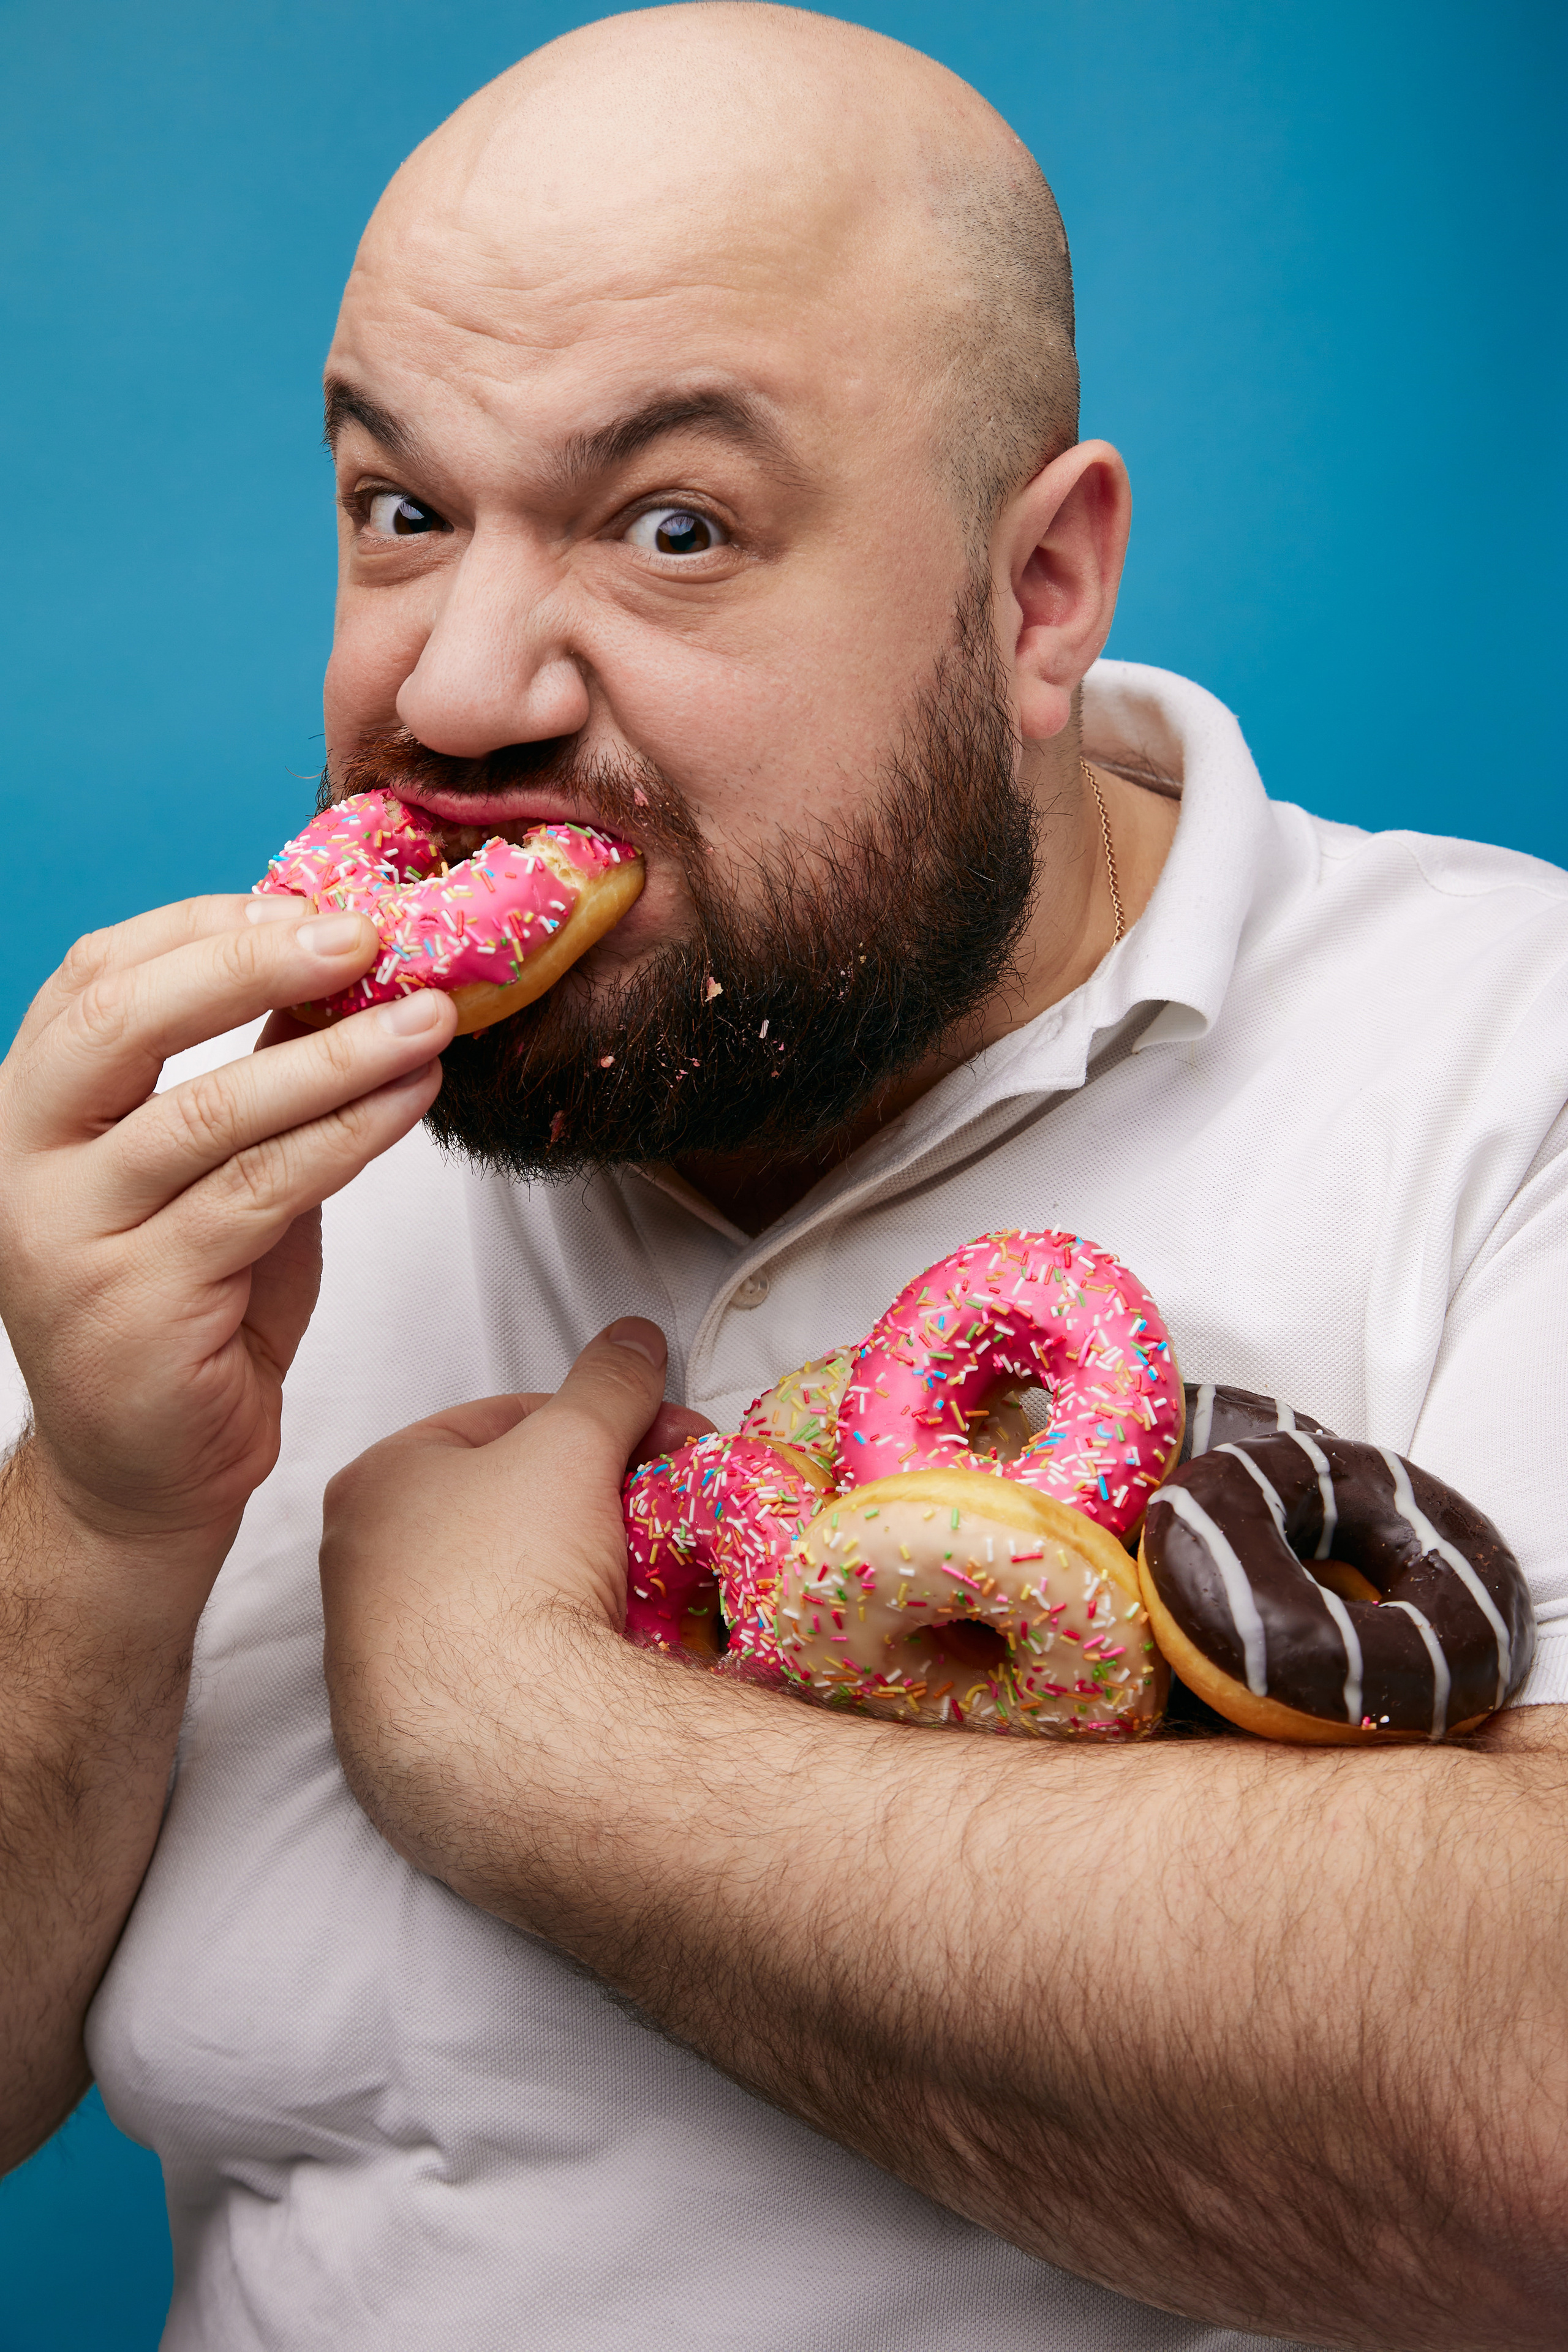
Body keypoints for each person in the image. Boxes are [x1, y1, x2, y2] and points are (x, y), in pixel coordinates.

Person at [0, 6, 1563, 2345]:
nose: (459, 694)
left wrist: (513, 1732)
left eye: (674, 527)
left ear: (1038, 595)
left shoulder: (1506, 1067)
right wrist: (102, 1526)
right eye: (402, 508)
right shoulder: (207, 1172)